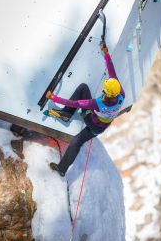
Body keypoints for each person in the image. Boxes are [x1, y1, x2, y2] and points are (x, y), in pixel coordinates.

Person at [46, 43, 125, 176]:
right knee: (77, 141)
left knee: (83, 88)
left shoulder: (97, 103)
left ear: (106, 92)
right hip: (100, 128)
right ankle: (62, 169)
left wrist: (54, 98)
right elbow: (113, 74)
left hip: (91, 120)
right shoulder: (121, 95)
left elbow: (76, 103)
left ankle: (66, 113)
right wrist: (106, 54)